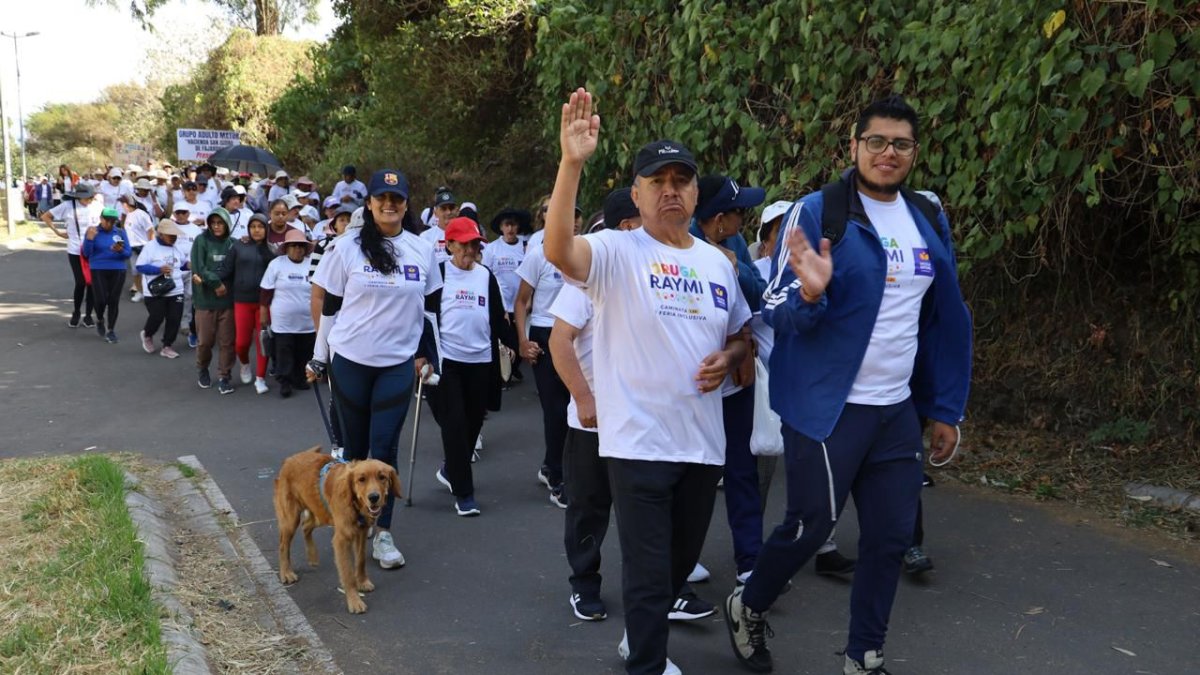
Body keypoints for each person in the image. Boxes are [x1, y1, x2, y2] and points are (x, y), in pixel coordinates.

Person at [724, 95, 973, 675]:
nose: (889, 153)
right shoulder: (818, 213)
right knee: (811, 528)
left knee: (888, 539)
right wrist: (810, 292)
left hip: (895, 410)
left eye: (901, 144)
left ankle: (864, 656)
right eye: (877, 142)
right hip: (829, 408)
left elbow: (943, 318)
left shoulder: (927, 218)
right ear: (855, 146)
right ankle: (749, 603)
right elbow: (777, 309)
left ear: (913, 152)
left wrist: (944, 407)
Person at [543, 88, 752, 675]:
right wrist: (571, 163)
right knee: (646, 565)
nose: (670, 190)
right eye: (657, 181)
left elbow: (742, 336)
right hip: (636, 441)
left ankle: (640, 639)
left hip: (701, 444)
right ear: (636, 193)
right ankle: (648, 663)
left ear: (694, 193)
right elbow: (559, 247)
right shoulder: (616, 250)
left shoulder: (716, 262)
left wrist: (730, 351)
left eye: (681, 180)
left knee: (675, 565)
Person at [308, 168, 442, 570]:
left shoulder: (422, 249)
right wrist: (319, 355)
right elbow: (329, 306)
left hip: (396, 365)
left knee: (383, 453)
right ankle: (351, 526)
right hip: (349, 361)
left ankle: (382, 534)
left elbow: (431, 310)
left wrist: (434, 357)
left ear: (406, 204)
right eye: (381, 197)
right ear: (369, 203)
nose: (389, 204)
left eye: (397, 198)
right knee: (352, 454)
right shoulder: (345, 246)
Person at [426, 217, 506, 515]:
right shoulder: (440, 274)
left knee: (473, 423)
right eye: (465, 244)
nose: (471, 250)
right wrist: (423, 355)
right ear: (449, 245)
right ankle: (464, 493)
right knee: (456, 426)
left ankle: (450, 470)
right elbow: (427, 317)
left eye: (475, 244)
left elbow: (498, 318)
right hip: (448, 362)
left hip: (481, 361)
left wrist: (520, 344)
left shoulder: (485, 275)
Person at [514, 219, 573, 507]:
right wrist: (523, 342)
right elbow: (521, 301)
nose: (570, 221)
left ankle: (551, 464)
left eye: (575, 217)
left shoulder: (582, 252)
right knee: (556, 409)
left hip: (576, 333)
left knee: (573, 408)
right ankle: (559, 478)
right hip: (544, 332)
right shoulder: (538, 254)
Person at [219, 212, 275, 394]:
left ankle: (260, 378)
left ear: (266, 229)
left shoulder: (272, 249)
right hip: (241, 300)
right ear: (248, 229)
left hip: (264, 304)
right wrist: (210, 281)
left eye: (260, 227)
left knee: (262, 342)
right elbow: (226, 270)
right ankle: (244, 363)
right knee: (241, 343)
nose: (256, 230)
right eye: (253, 227)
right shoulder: (239, 246)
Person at [261, 229, 316, 397]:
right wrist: (263, 312)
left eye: (301, 246)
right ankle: (284, 381)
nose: (297, 249)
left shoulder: (312, 264)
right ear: (286, 248)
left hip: (307, 321)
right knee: (284, 351)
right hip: (283, 320)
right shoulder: (276, 264)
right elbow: (265, 290)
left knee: (304, 352)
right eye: (293, 246)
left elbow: (319, 291)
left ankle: (299, 378)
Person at [42, 182, 101, 328]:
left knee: (92, 283)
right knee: (81, 282)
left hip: (93, 250)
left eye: (91, 197)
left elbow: (106, 223)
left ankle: (88, 315)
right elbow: (46, 216)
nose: (89, 200)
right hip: (75, 250)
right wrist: (57, 232)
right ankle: (76, 312)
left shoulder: (97, 206)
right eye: (87, 197)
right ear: (79, 196)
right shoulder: (68, 206)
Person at [191, 207, 237, 395]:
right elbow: (199, 267)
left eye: (220, 223)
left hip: (228, 302)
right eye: (213, 223)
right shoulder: (201, 241)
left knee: (227, 342)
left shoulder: (233, 244)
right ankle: (203, 367)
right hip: (205, 301)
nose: (217, 226)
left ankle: (224, 376)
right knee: (204, 342)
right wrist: (216, 283)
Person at [481, 208, 530, 383]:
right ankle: (503, 374)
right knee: (506, 341)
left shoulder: (526, 247)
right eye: (506, 225)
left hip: (522, 303)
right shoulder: (492, 249)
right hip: (502, 305)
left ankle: (512, 369)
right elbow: (485, 275)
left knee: (520, 341)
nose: (510, 229)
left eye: (513, 225)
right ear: (501, 227)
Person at [135, 219, 189, 359]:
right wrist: (158, 269)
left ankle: (167, 346)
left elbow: (181, 264)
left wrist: (189, 265)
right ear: (161, 234)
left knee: (175, 319)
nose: (174, 237)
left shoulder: (176, 248)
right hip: (156, 290)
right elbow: (140, 266)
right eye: (170, 235)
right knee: (157, 316)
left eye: (175, 235)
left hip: (176, 288)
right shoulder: (150, 247)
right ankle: (147, 334)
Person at [82, 207, 132, 343]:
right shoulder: (93, 231)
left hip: (118, 269)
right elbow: (86, 253)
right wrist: (89, 239)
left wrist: (120, 250)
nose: (109, 224)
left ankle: (111, 330)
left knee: (113, 300)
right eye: (107, 221)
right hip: (98, 268)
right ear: (101, 219)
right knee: (101, 299)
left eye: (112, 221)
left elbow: (128, 253)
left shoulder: (120, 232)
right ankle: (99, 318)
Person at [419, 187, 458, 264]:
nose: (448, 212)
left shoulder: (465, 234)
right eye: (444, 209)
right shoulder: (426, 237)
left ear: (457, 211)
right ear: (435, 212)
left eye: (451, 208)